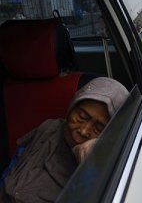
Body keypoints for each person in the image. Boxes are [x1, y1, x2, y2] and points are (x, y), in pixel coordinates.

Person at [0, 77, 129, 203]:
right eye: (81, 117)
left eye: (99, 128)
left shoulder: (103, 166)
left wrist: (90, 163)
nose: (83, 131)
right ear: (71, 108)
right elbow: (15, 164)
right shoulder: (50, 128)